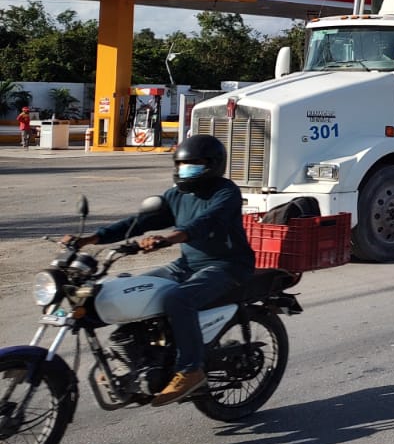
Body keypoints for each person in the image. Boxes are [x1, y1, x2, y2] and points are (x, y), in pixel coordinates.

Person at [58, 134, 254, 406]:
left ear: (213, 164)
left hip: (228, 266)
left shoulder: (225, 192)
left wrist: (167, 238)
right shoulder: (177, 194)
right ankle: (138, 359)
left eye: (194, 164)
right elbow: (139, 223)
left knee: (178, 299)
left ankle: (191, 369)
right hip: (185, 266)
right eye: (182, 164)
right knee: (127, 291)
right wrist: (91, 239)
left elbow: (204, 223)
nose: (187, 169)